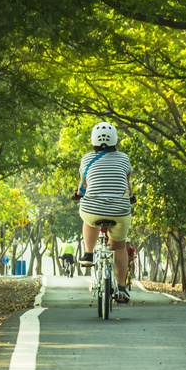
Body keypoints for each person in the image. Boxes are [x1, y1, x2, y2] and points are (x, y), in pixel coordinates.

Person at [71, 121, 134, 303]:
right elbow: (128, 187)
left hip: (93, 209)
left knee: (88, 218)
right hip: (120, 210)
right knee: (119, 247)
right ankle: (121, 288)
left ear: (93, 140)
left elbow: (83, 186)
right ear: (115, 139)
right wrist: (130, 197)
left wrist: (77, 194)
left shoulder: (86, 158)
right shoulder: (124, 158)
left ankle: (89, 254)